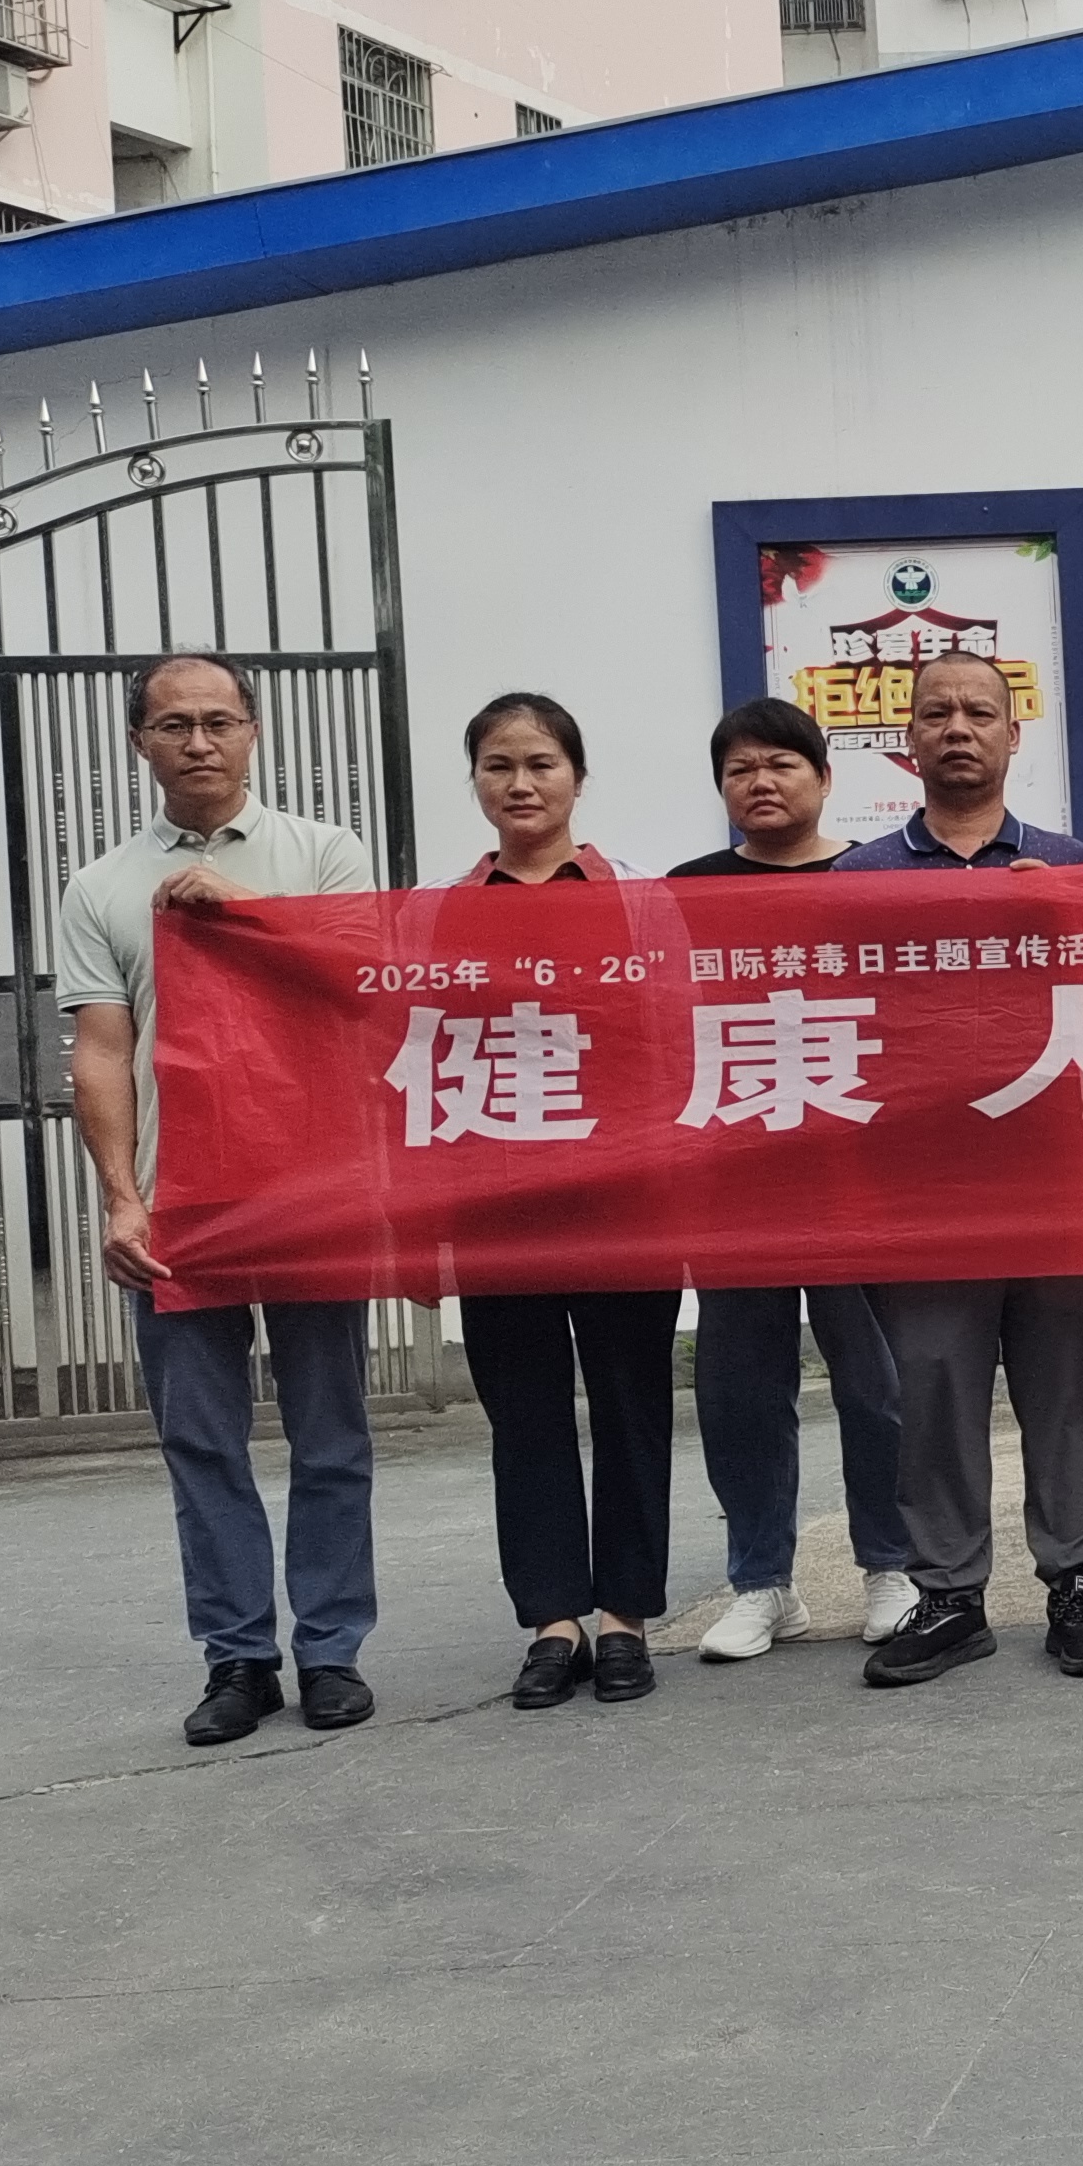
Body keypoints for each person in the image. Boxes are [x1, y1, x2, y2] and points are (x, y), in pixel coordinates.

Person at [58, 653, 383, 1747]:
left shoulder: (324, 854)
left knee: (330, 1432)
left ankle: (331, 1649)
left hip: (309, 1186)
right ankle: (238, 1657)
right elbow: (102, 1051)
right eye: (174, 726)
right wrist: (121, 1198)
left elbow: (358, 985)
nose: (198, 742)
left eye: (218, 721)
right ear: (139, 743)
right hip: (177, 1205)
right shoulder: (101, 886)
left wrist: (244, 908)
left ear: (252, 731)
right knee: (202, 1442)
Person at [834, 652, 1083, 1686]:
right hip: (919, 1182)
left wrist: (1072, 919)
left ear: (1013, 735)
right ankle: (950, 1595)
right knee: (932, 1386)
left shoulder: (1066, 862)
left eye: (977, 712)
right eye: (936, 714)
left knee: (1070, 1383)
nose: (957, 728)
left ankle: (1075, 1580)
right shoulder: (860, 880)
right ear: (907, 741)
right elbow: (834, 1024)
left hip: (1051, 1170)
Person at [438, 692, 683, 1710]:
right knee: (525, 1411)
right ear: (475, 783)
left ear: (578, 777)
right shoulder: (443, 911)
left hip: (627, 1196)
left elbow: (680, 1037)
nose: (521, 784)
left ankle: (623, 1617)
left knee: (631, 1402)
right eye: (498, 766)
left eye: (541, 763)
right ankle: (552, 1621)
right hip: (498, 1203)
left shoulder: (641, 900)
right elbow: (419, 1061)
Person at [667, 696, 916, 1661]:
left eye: (780, 764)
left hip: (861, 1174)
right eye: (740, 770)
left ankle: (890, 1567)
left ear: (823, 778)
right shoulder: (688, 891)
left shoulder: (875, 880)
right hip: (736, 1178)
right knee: (742, 1390)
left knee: (877, 1386)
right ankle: (763, 1583)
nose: (760, 782)